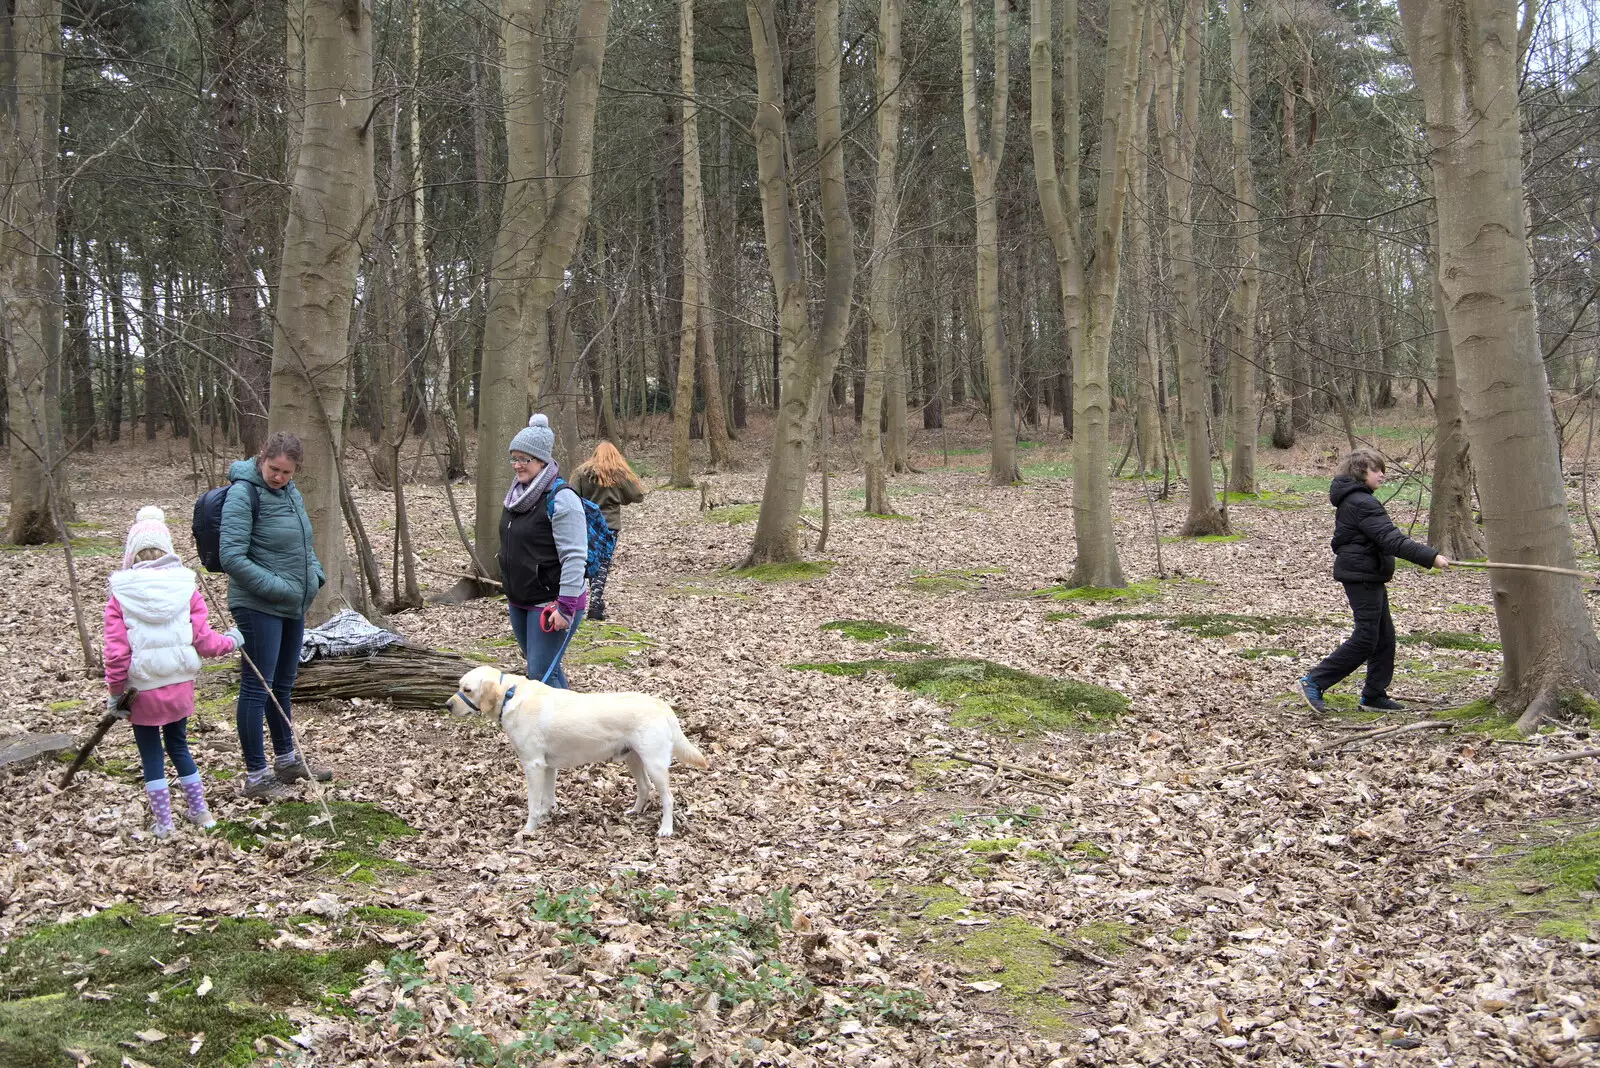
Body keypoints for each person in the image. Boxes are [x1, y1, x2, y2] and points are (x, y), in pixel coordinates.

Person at [104, 507, 243, 837]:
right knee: (179, 746)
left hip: (141, 691)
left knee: (151, 754)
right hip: (179, 685)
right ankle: (201, 812)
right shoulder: (186, 589)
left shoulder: (120, 595)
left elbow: (116, 653)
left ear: (130, 551)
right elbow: (205, 642)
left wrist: (115, 694)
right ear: (168, 549)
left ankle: (164, 823)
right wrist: (232, 640)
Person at [219, 431, 331, 799]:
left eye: (286, 471)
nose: (278, 477)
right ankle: (256, 776)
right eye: (273, 468)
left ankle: (285, 760)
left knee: (282, 685)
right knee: (256, 688)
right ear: (261, 457)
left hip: (292, 604)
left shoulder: (290, 493)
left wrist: (313, 577)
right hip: (257, 606)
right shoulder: (243, 493)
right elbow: (231, 557)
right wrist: (282, 587)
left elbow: (303, 543)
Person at [1298, 448, 1452, 714]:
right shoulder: (1361, 502)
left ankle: (1373, 695)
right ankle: (1314, 680)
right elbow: (1391, 539)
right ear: (1360, 472)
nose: (1382, 474)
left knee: (1384, 638)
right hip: (1361, 576)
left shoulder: (1357, 499)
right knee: (1367, 637)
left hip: (1368, 573)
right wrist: (1431, 558)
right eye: (1376, 469)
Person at [499, 414, 588, 687]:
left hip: (551, 602)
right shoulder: (517, 496)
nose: (517, 465)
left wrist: (566, 607)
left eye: (523, 459)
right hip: (520, 600)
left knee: (540, 675)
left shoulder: (563, 499)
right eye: (514, 458)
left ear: (541, 460)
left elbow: (574, 557)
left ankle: (565, 729)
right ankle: (572, 726)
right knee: (547, 670)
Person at [569, 441, 645, 621]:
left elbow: (571, 497)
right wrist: (618, 497)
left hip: (586, 524)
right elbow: (638, 495)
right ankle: (595, 605)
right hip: (609, 525)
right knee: (602, 563)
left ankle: (575, 602)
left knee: (584, 561)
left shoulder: (581, 472)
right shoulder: (618, 474)